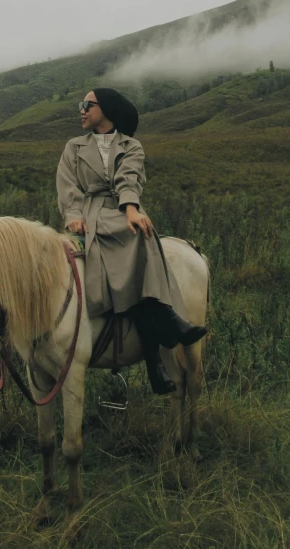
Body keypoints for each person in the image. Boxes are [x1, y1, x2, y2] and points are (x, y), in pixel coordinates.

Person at [56, 87, 207, 394]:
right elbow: (68, 185)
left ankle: (160, 324)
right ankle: (161, 321)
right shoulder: (73, 146)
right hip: (89, 213)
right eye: (80, 105)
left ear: (107, 108)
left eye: (88, 105)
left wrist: (130, 208)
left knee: (144, 233)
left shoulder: (132, 146)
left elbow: (130, 177)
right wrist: (73, 213)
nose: (81, 110)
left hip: (123, 210)